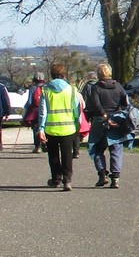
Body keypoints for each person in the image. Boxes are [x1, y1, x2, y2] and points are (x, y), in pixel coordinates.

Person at [36, 63, 83, 191]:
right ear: (64, 74)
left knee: (53, 156)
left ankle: (56, 179)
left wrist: (41, 129)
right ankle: (67, 180)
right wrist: (77, 124)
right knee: (67, 155)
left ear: (51, 74)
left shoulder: (46, 90)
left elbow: (43, 112)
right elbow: (76, 110)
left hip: (51, 128)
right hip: (68, 127)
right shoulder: (72, 90)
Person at [87, 62, 133, 189]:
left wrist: (104, 115)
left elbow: (96, 104)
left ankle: (102, 174)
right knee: (116, 148)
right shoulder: (118, 86)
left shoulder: (96, 87)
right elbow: (126, 102)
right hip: (116, 119)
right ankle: (116, 177)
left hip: (100, 121)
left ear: (98, 74)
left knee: (97, 147)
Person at [24, 73, 47, 153]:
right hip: (45, 110)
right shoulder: (47, 88)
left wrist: (25, 110)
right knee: (44, 127)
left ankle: (37, 146)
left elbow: (29, 102)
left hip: (34, 112)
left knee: (36, 129)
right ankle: (45, 144)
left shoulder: (32, 88)